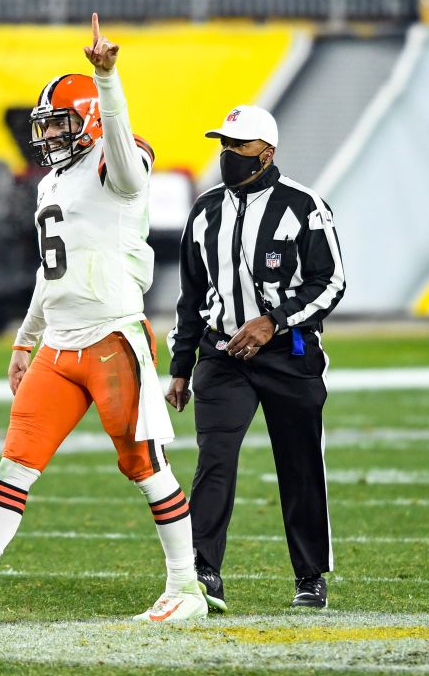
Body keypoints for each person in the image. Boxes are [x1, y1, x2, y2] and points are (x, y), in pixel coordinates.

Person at [0, 14, 206, 624]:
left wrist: (108, 78)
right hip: (60, 344)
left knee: (142, 463)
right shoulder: (51, 183)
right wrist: (26, 340)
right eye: (46, 125)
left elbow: (127, 168)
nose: (50, 135)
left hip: (111, 337)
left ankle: (186, 587)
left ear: (93, 122)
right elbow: (51, 273)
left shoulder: (117, 159)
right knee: (16, 461)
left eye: (62, 123)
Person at [166, 105, 346, 612]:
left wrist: (275, 320)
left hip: (289, 355)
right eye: (223, 144)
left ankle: (309, 575)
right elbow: (191, 293)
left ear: (266, 154)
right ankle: (203, 571)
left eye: (237, 146)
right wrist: (181, 366)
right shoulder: (205, 211)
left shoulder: (305, 205)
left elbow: (330, 282)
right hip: (223, 356)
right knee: (215, 459)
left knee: (300, 463)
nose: (227, 154)